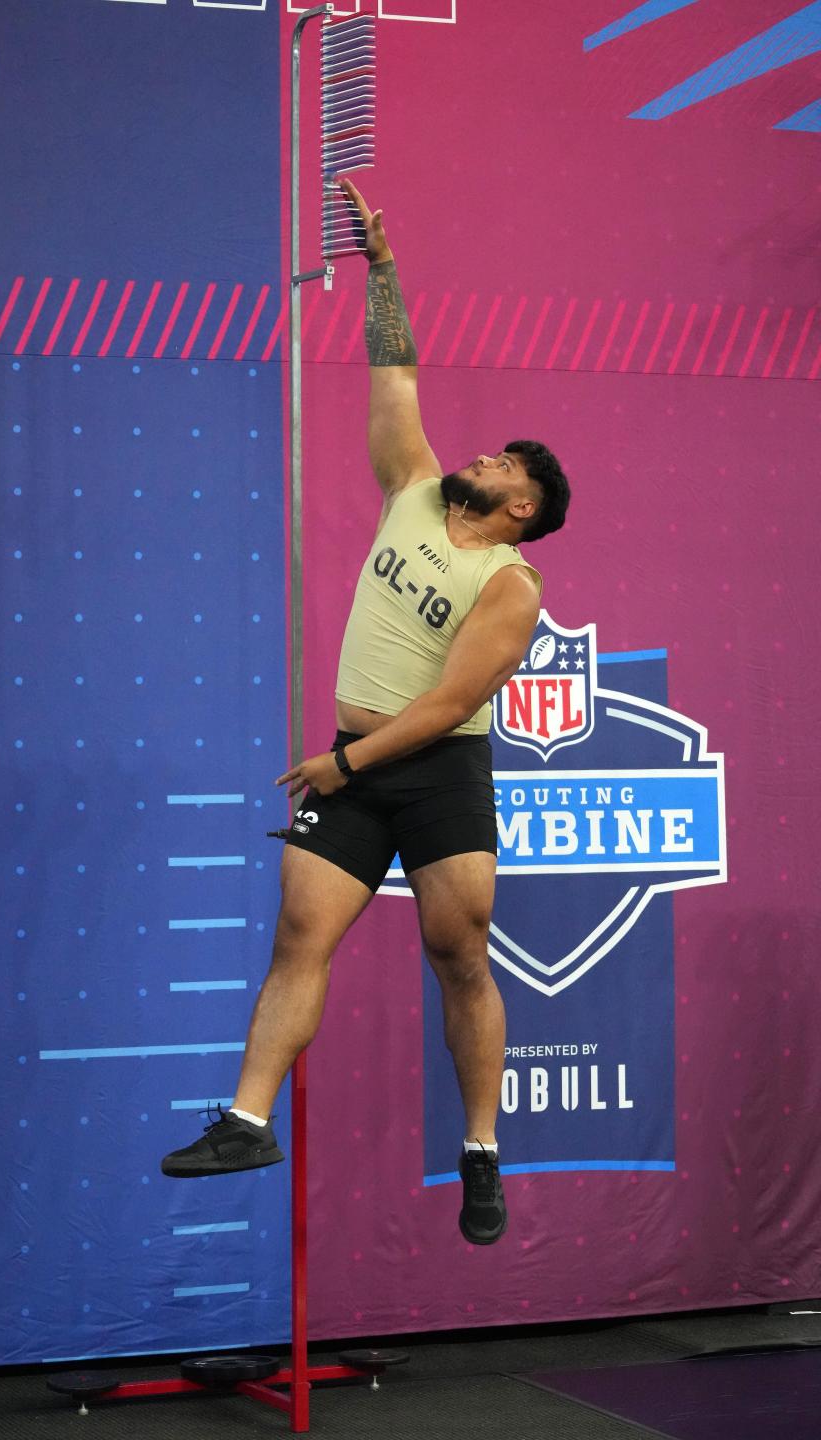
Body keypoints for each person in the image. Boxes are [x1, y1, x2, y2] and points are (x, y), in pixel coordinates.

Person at [161, 178, 570, 1246]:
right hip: (354, 759)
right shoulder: (412, 489)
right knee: (302, 933)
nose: (475, 459)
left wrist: (349, 769)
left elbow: (445, 706)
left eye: (498, 467)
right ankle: (247, 1120)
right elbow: (396, 370)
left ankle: (481, 1147)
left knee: (460, 953)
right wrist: (383, 270)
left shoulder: (511, 588)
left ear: (518, 508)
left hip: (433, 773)